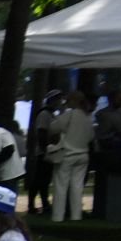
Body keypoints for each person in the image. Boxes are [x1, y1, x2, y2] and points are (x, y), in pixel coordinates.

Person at [47, 90, 94, 222]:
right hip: (83, 154)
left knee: (61, 185)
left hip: (67, 154)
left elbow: (53, 128)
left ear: (73, 101)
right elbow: (91, 136)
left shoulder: (69, 114)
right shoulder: (87, 117)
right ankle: (76, 215)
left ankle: (58, 216)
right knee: (77, 186)